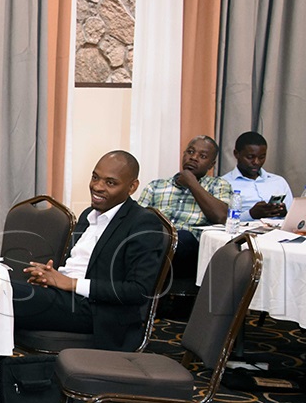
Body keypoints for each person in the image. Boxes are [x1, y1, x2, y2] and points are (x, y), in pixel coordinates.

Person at [13, 151, 166, 352]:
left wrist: (72, 284)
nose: (97, 186)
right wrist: (52, 276)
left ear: (132, 187)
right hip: (65, 298)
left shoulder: (142, 222)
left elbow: (138, 291)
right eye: (95, 177)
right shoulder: (88, 215)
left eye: (110, 183)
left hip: (96, 312)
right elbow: (79, 265)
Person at [136, 135, 233, 279]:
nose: (194, 158)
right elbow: (136, 221)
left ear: (211, 165)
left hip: (189, 253)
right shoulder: (156, 186)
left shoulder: (218, 185)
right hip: (152, 244)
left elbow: (221, 217)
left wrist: (192, 184)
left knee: (183, 237)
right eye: (190, 152)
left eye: (202, 156)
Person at [221, 131, 294, 220]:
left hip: (278, 231)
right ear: (236, 154)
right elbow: (221, 220)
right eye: (250, 157)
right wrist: (250, 214)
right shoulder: (223, 183)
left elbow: (294, 219)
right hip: (243, 232)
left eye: (261, 157)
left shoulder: (279, 181)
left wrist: (285, 214)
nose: (256, 162)